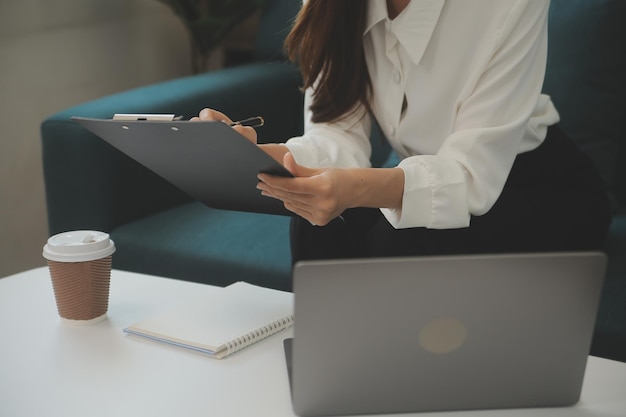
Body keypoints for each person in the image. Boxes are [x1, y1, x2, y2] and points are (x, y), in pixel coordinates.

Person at [193, 0, 611, 264]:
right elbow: (335, 137)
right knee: (316, 222)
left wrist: (355, 191)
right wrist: (256, 153)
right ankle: (329, 369)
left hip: (536, 188)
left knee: (398, 243)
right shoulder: (333, 7)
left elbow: (472, 176)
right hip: (430, 179)